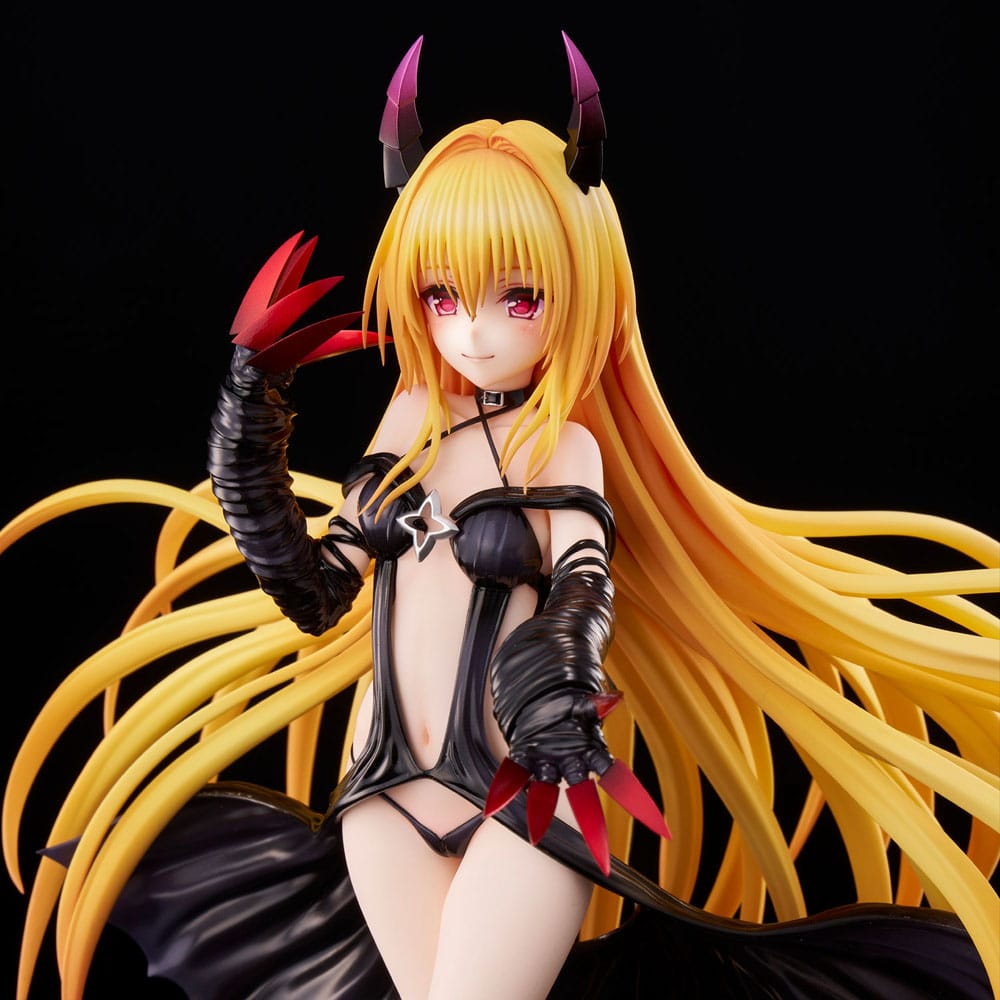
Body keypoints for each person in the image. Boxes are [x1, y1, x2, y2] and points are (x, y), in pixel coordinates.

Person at [3, 33, 998, 1000]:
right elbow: (318, 591)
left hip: (528, 791)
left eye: (518, 298)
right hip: (383, 789)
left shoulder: (562, 450)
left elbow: (585, 584)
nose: (472, 331)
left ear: (580, 286)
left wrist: (560, 679)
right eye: (442, 295)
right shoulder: (409, 420)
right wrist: (246, 427)